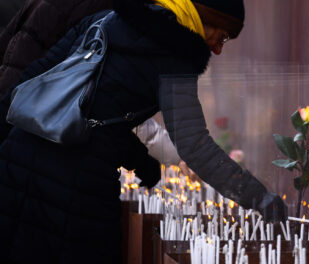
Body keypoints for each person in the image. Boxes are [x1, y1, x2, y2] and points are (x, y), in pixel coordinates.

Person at [0, 0, 287, 263]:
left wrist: (140, 162)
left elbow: (38, 80)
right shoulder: (177, 58)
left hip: (18, 161)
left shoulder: (105, 20)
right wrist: (257, 197)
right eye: (222, 36)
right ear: (203, 17)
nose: (218, 49)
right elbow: (195, 146)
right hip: (77, 188)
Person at [0, 0, 187, 170]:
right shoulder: (104, 11)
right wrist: (149, 159)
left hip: (21, 118)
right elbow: (100, 105)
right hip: (44, 137)